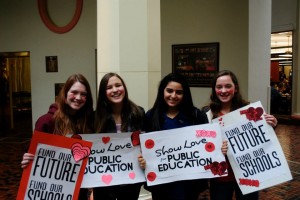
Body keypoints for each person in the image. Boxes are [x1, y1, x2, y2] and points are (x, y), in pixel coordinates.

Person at [140, 73, 218, 200]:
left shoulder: (197, 116)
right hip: (161, 183)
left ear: (185, 94)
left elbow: (206, 147)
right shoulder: (150, 116)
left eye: (179, 92)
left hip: (188, 184)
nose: (173, 96)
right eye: (169, 91)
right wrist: (143, 159)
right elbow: (144, 148)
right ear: (162, 91)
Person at [204, 70, 278, 200]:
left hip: (248, 173)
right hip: (221, 176)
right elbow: (203, 147)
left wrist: (271, 125)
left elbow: (260, 138)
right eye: (219, 87)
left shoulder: (249, 110)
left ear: (235, 88)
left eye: (228, 86)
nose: (223, 90)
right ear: (214, 89)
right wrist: (217, 149)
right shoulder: (207, 114)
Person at [21, 73, 94, 200]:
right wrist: (27, 159)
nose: (78, 97)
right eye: (74, 92)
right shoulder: (47, 121)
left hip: (79, 191)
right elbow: (32, 154)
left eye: (83, 94)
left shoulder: (89, 122)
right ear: (65, 94)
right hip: (52, 191)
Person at [93, 72, 145, 200]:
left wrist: (145, 158)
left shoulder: (139, 113)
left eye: (118, 85)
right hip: (103, 184)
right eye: (109, 87)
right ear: (103, 93)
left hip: (131, 181)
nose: (115, 90)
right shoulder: (95, 118)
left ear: (124, 88)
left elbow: (145, 143)